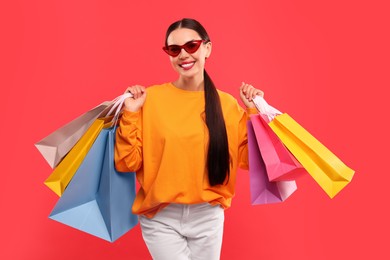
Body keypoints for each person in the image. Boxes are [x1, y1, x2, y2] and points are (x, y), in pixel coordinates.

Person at [114, 18, 263, 260]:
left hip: (208, 216)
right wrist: (130, 113)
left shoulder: (226, 105)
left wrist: (253, 112)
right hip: (161, 216)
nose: (183, 54)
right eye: (174, 49)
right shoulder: (150, 99)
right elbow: (127, 163)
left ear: (207, 48)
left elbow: (250, 160)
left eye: (191, 46)